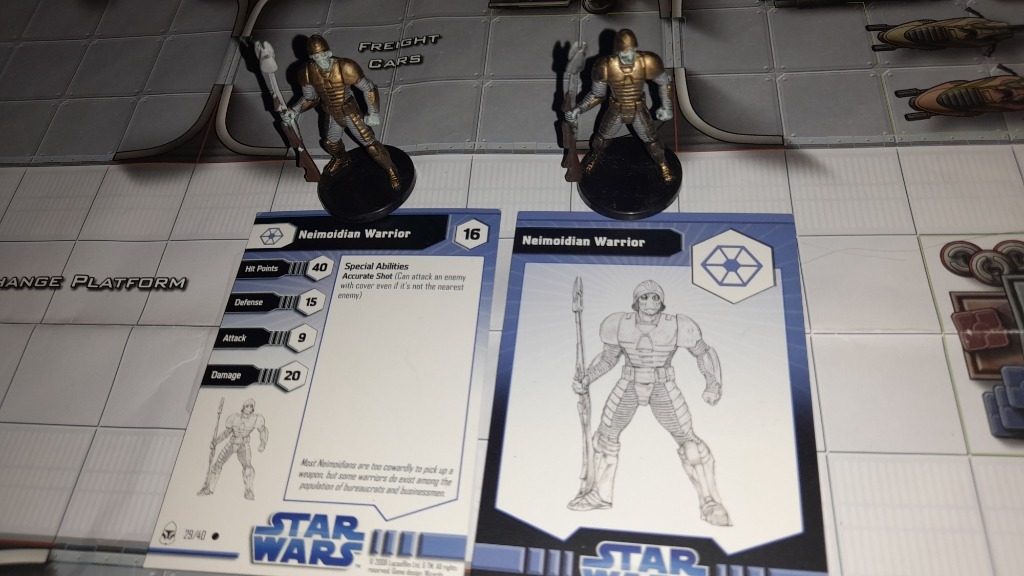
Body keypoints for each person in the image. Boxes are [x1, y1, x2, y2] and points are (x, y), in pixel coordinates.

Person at [570, 280, 730, 526]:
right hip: (628, 382)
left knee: (689, 443)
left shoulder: (677, 324)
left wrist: (713, 384)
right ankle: (599, 495)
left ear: (662, 301)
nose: (650, 303)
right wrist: (587, 378)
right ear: (636, 301)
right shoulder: (619, 323)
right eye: (644, 298)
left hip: (662, 385)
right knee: (604, 438)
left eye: (655, 298)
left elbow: (703, 353)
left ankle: (710, 501)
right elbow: (608, 358)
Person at [282, 35, 400, 189]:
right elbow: (310, 98)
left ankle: (391, 169)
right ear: (312, 58)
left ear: (329, 53)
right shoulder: (307, 72)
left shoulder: (345, 67)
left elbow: (369, 88)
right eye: (317, 57)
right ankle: (343, 159)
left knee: (371, 145)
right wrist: (294, 110)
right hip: (331, 112)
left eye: (323, 55)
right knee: (331, 143)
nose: (321, 59)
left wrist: (373, 112)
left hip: (350, 111)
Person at [565, 29, 674, 182]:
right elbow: (597, 94)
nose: (628, 58)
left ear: (635, 49)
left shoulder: (647, 61)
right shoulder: (605, 66)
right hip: (616, 109)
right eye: (624, 54)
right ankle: (595, 156)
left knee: (652, 141)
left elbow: (664, 83)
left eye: (631, 52)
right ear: (616, 52)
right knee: (601, 139)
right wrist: (579, 108)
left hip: (638, 109)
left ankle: (663, 165)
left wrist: (666, 106)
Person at [198, 398, 269, 500]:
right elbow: (226, 433)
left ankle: (249, 490)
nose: (249, 409)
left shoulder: (256, 418)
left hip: (244, 445)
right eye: (247, 406)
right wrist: (215, 442)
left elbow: (263, 430)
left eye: (251, 406)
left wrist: (263, 443)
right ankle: (209, 489)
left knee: (247, 467)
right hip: (232, 443)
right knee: (217, 465)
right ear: (243, 407)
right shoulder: (234, 417)